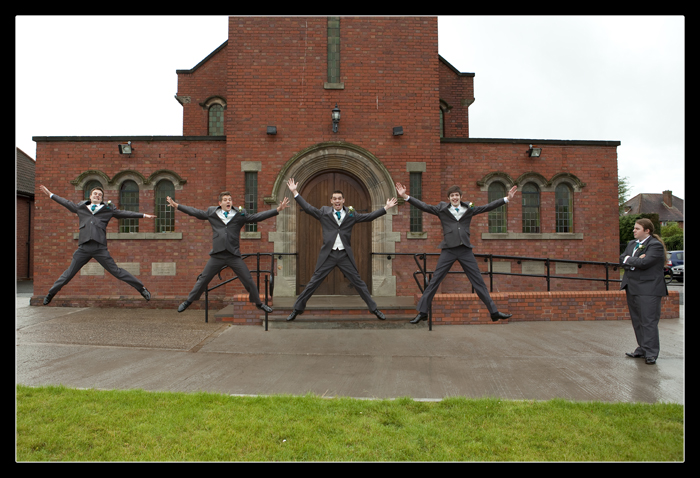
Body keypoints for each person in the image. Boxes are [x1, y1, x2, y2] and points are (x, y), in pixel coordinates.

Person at [395, 182, 517, 323]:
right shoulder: (441, 208)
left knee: (478, 281)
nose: (454, 198)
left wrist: (507, 199)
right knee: (435, 280)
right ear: (449, 198)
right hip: (449, 250)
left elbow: (486, 207)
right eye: (452, 195)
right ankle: (423, 312)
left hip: (465, 250)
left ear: (461, 196)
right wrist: (405, 196)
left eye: (457, 195)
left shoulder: (469, 207)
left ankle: (494, 313)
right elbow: (424, 206)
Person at [285, 178, 398, 321]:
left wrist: (386, 208)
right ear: (331, 201)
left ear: (343, 200)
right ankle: (297, 309)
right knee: (313, 283)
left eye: (339, 198)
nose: (337, 201)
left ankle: (374, 309)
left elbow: (368, 217)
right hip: (329, 255)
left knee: (358, 282)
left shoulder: (351, 213)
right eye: (334, 199)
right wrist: (295, 192)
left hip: (344, 255)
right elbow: (308, 208)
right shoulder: (324, 212)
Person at [167, 192, 290, 313]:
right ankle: (188, 301)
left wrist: (277, 209)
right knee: (203, 279)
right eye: (225, 200)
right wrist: (177, 205)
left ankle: (259, 303)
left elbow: (257, 217)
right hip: (217, 255)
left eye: (230, 199)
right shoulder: (212, 212)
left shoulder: (240, 214)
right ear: (220, 203)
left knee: (248, 279)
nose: (228, 201)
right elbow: (195, 212)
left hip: (233, 255)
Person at [40, 184, 154, 305]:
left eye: (100, 195)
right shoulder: (81, 208)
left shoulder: (107, 210)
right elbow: (65, 202)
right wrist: (50, 194)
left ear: (102, 198)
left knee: (117, 272)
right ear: (90, 196)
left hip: (100, 248)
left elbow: (124, 213)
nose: (97, 196)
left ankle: (142, 289)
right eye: (95, 194)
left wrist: (143, 215)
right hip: (84, 248)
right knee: (68, 274)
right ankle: (51, 294)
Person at [620, 218, 668, 364]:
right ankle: (642, 348)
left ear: (647, 231)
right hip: (632, 287)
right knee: (637, 320)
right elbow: (622, 259)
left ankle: (651, 353)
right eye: (634, 228)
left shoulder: (655, 245)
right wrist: (633, 259)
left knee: (648, 321)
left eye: (637, 228)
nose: (633, 230)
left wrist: (630, 259)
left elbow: (645, 263)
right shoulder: (631, 244)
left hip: (649, 289)